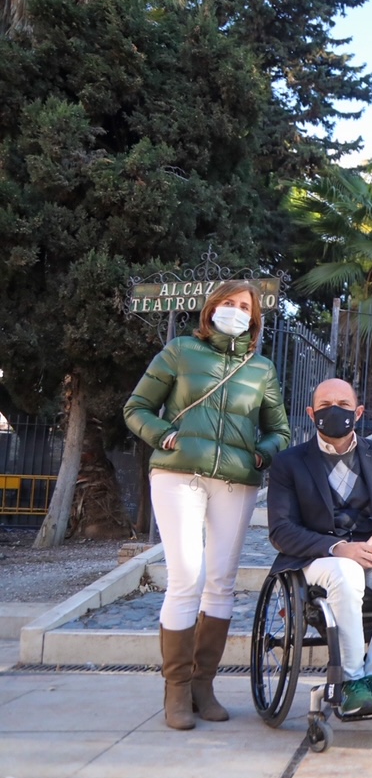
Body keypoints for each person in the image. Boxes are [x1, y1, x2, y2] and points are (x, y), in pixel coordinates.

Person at [124, 280, 291, 730]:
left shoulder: (261, 369)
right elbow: (136, 407)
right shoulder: (180, 351)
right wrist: (164, 436)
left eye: (244, 307)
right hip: (179, 474)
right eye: (229, 303)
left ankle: (203, 685)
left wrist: (264, 452)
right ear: (212, 308)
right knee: (186, 578)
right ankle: (175, 690)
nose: (235, 311)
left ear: (253, 319)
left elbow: (281, 430)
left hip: (236, 482)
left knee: (220, 581)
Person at [267, 378, 372, 717]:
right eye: (324, 406)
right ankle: (351, 681)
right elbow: (281, 530)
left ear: (359, 411)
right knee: (347, 572)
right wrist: (337, 547)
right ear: (311, 413)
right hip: (317, 556)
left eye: (343, 405)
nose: (334, 411)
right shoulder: (289, 463)